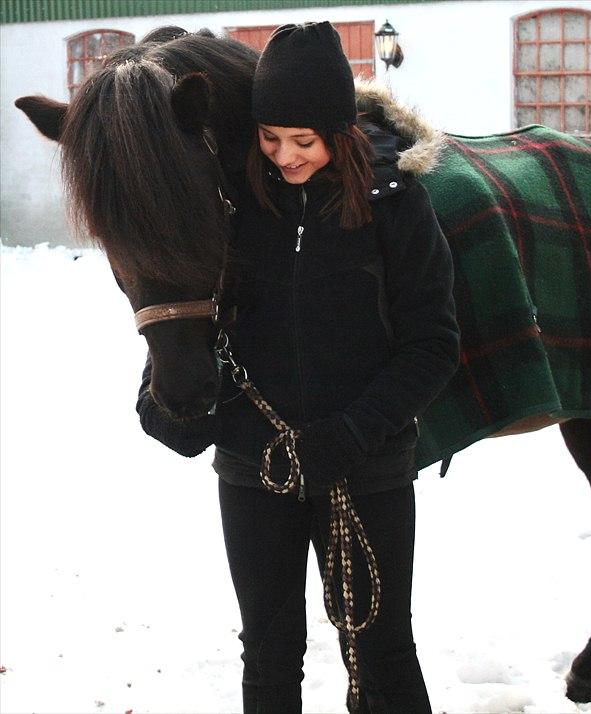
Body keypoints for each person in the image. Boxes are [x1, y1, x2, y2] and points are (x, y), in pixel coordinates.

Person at [137, 21, 459, 713]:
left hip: (364, 472)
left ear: (339, 133)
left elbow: (434, 345)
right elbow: (194, 309)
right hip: (255, 471)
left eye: (304, 141)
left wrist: (350, 434)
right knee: (269, 653)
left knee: (382, 651)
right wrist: (165, 399)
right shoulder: (232, 208)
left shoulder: (396, 205)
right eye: (269, 137)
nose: (284, 156)